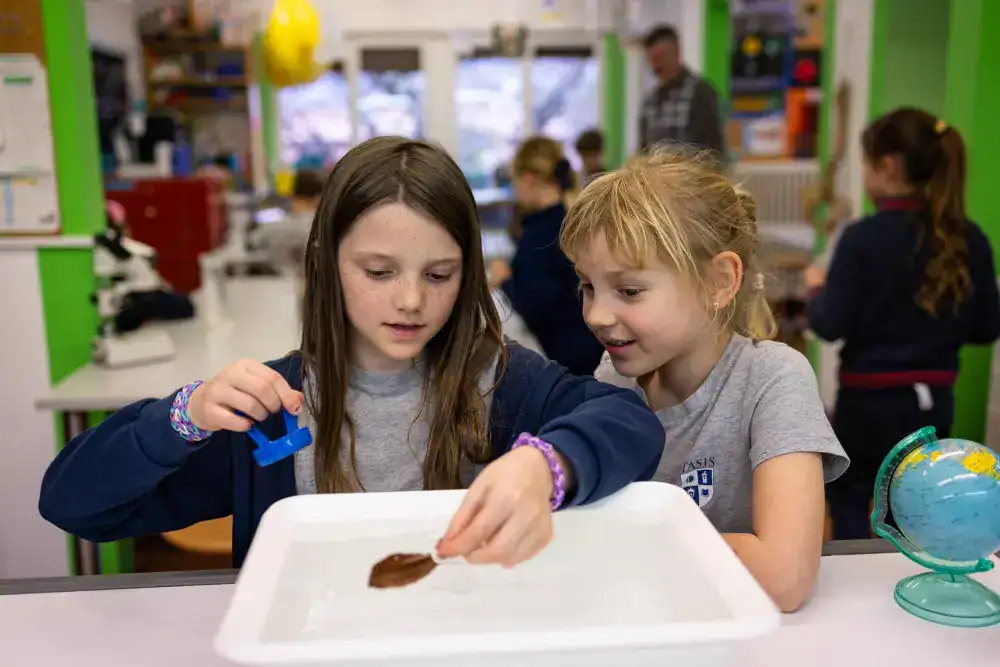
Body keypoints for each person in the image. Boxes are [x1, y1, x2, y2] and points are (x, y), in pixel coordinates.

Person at [38, 137, 666, 568]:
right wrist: (183, 416)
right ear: (326, 265)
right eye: (379, 270)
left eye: (441, 274)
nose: (412, 300)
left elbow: (629, 423)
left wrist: (545, 467)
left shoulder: (500, 384)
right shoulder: (273, 411)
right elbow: (73, 503)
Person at [560, 151, 849, 612]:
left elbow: (785, 576)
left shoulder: (772, 379)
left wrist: (627, 552)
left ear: (719, 281)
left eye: (629, 290)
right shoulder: (615, 373)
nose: (596, 314)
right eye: (587, 286)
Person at [804, 108, 1000, 541]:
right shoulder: (969, 238)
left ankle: (858, 584)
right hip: (933, 405)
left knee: (852, 496)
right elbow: (987, 327)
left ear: (888, 165)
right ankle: (906, 580)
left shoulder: (861, 239)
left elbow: (830, 324)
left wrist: (815, 291)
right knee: (915, 501)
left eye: (868, 165)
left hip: (866, 405)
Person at [489, 136, 605, 375]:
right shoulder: (567, 220)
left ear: (529, 179)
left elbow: (535, 304)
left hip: (569, 360)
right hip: (586, 350)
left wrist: (504, 279)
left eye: (515, 182)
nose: (516, 192)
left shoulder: (541, 234)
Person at [639, 24, 725, 159]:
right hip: (656, 178)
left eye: (660, 58)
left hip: (692, 177)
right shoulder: (650, 101)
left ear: (677, 54)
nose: (656, 66)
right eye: (652, 60)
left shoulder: (700, 93)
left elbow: (715, 151)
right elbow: (643, 151)